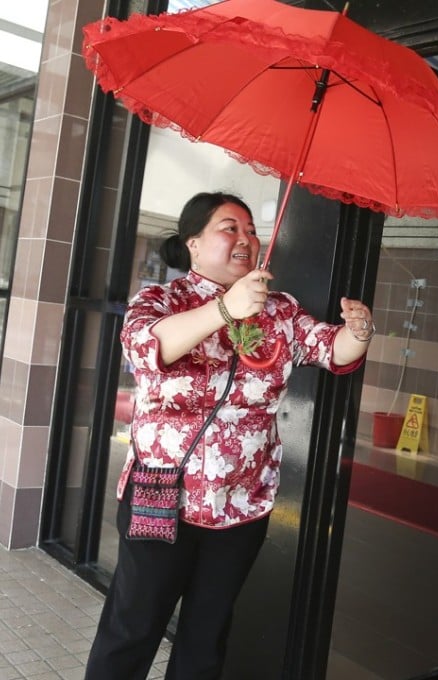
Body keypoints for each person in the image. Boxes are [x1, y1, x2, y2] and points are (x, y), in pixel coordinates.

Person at [84, 192, 375, 680]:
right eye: (229, 228)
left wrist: (359, 332)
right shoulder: (162, 299)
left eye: (249, 229)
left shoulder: (278, 310)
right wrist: (225, 309)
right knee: (133, 626)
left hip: (241, 501)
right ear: (193, 244)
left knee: (207, 634)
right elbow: (147, 347)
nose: (245, 238)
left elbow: (332, 350)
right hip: (163, 495)